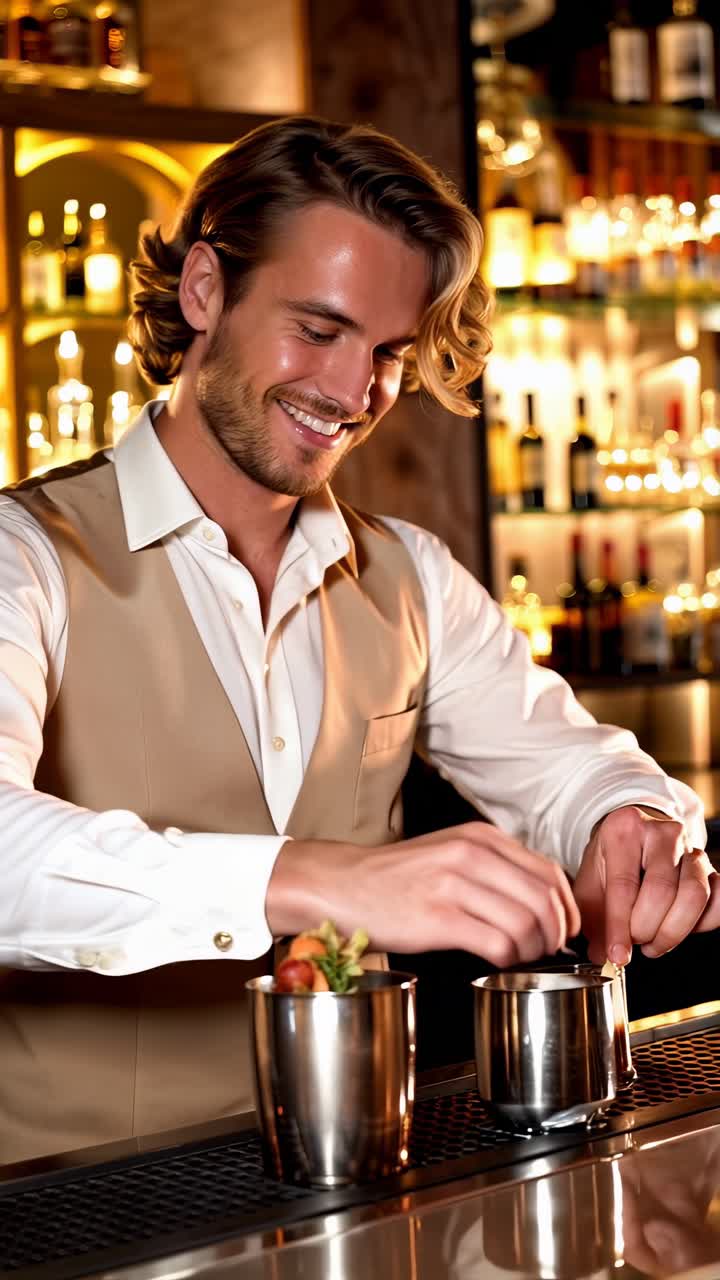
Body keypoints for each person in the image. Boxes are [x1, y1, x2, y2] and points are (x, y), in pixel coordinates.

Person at [0, 115, 716, 1164]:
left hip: (363, 1194)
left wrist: (631, 815)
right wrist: (318, 876)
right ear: (204, 289)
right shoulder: (27, 552)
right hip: (79, 1215)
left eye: (388, 351)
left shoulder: (410, 573)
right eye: (319, 328)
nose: (352, 392)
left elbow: (566, 762)